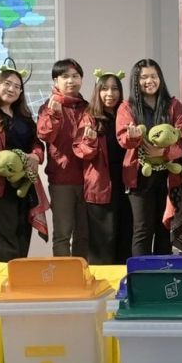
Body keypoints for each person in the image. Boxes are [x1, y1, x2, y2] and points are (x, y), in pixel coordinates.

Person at [0, 66, 49, 263]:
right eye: (7, 84)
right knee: (4, 246)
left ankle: (19, 280)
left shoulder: (24, 116)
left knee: (22, 239)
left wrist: (35, 156)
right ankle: (5, 281)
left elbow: (37, 143)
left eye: (17, 86)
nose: (12, 89)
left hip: (24, 185)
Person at [117, 58, 182, 256]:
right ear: (136, 81)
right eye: (144, 77)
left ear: (160, 78)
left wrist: (163, 152)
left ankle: (163, 271)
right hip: (139, 176)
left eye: (154, 76)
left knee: (165, 228)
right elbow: (123, 139)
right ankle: (140, 273)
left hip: (169, 177)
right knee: (142, 229)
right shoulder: (127, 107)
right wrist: (133, 138)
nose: (150, 81)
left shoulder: (174, 105)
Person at [73, 71, 132, 265]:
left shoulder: (126, 115)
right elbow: (81, 150)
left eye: (115, 89)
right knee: (102, 241)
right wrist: (90, 142)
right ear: (97, 91)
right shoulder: (89, 117)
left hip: (125, 183)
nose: (110, 93)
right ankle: (103, 280)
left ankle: (123, 279)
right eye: (105, 89)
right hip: (100, 184)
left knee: (125, 237)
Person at [36, 59, 90, 258]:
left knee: (84, 235)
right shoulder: (48, 106)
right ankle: (62, 275)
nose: (71, 81)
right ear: (55, 81)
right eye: (65, 76)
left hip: (87, 180)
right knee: (62, 235)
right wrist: (53, 114)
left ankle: (81, 272)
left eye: (75, 76)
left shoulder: (88, 107)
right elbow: (44, 134)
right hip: (62, 180)